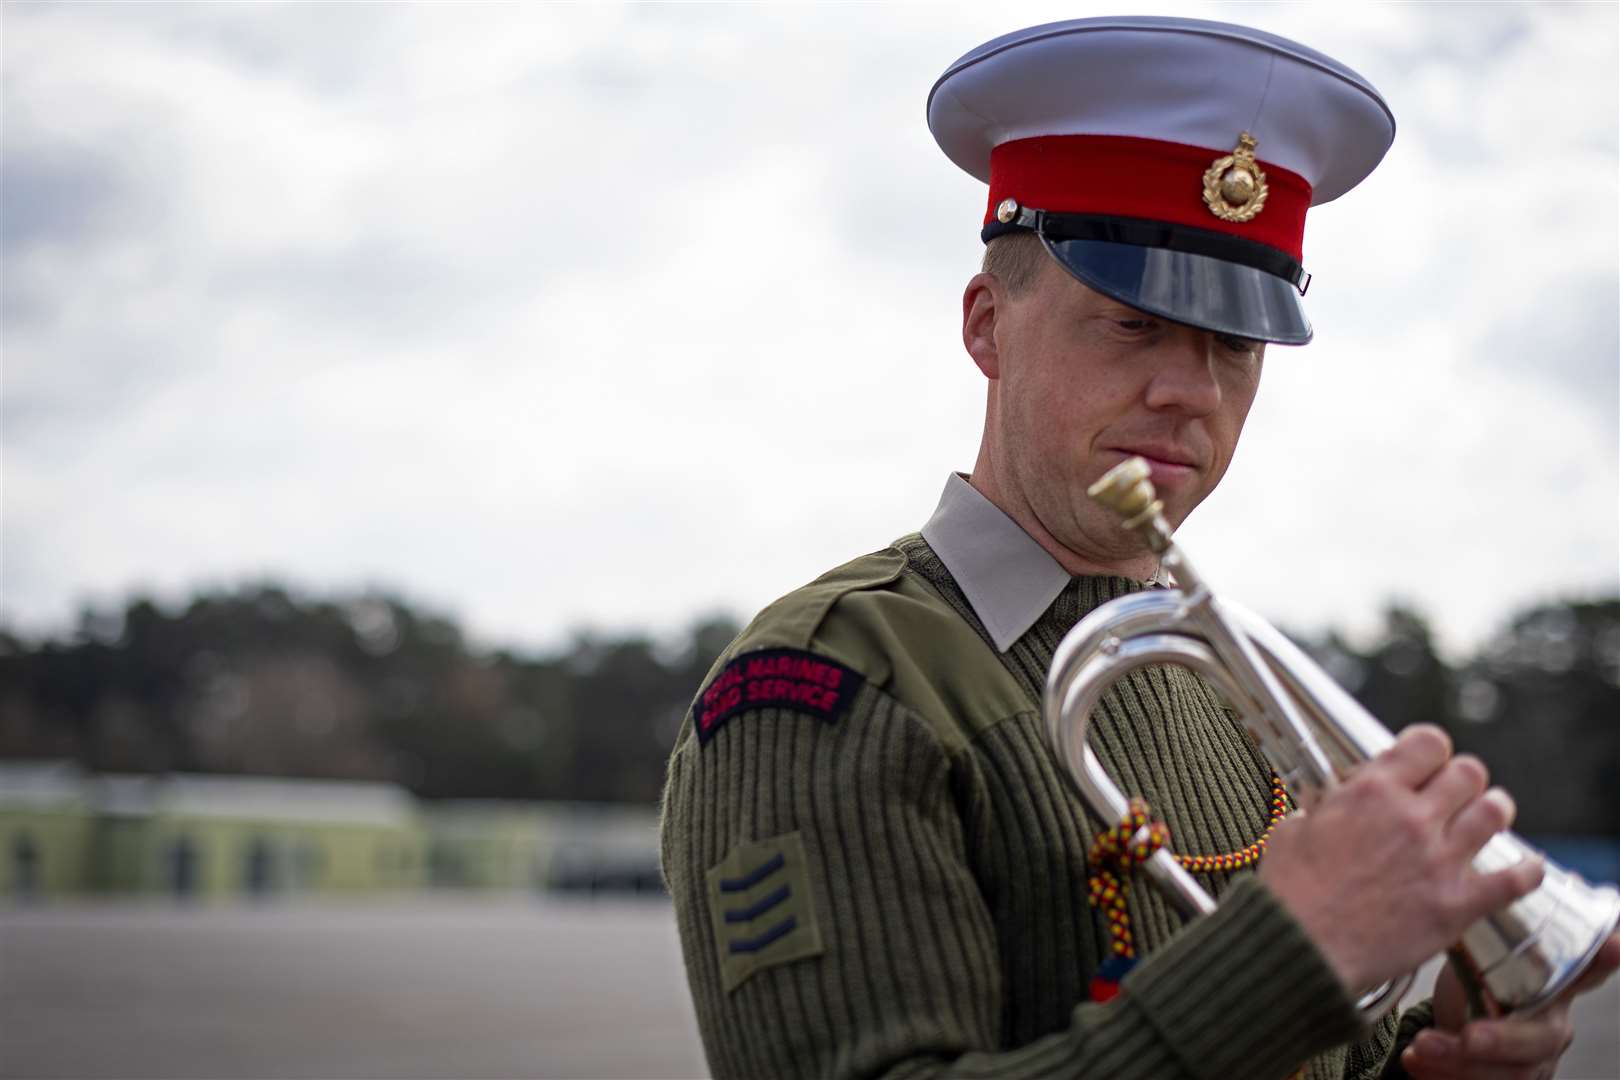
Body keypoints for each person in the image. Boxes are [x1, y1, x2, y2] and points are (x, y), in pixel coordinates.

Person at [659, 17, 1620, 1080]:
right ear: (988, 325)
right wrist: (1288, 957)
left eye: (1235, 347)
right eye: (1131, 324)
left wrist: (1433, 1066)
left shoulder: (1239, 691)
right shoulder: (824, 680)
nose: (1192, 393)